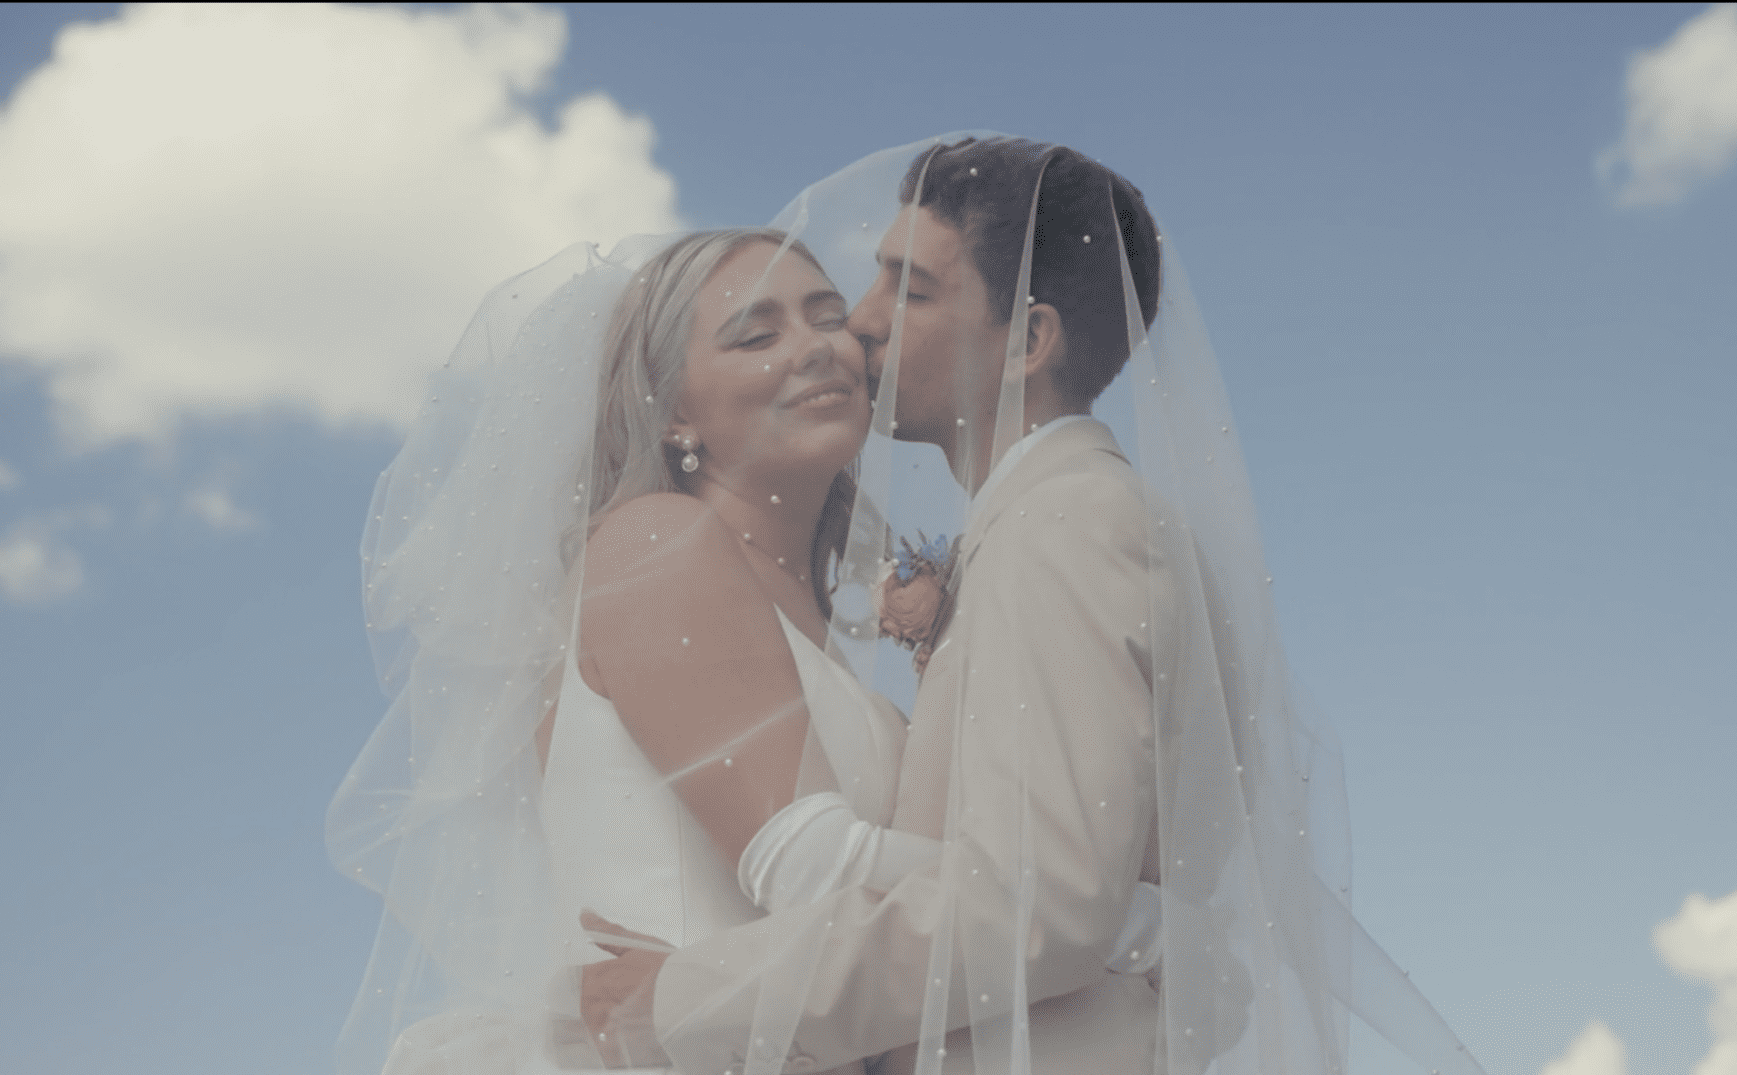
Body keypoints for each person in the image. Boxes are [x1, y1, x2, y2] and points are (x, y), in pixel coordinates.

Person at [584, 136, 1490, 1075]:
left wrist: (686, 1002)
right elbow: (1058, 889)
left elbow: (1041, 901)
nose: (859, 324)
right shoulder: (1049, 527)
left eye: (909, 288)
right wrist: (1154, 927)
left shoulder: (1070, 525)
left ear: (1027, 339)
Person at [330, 221, 1163, 1075]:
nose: (819, 349)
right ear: (672, 410)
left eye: (828, 317)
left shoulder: (808, 633)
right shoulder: (656, 544)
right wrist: (1101, 913)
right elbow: (814, 869)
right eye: (757, 334)